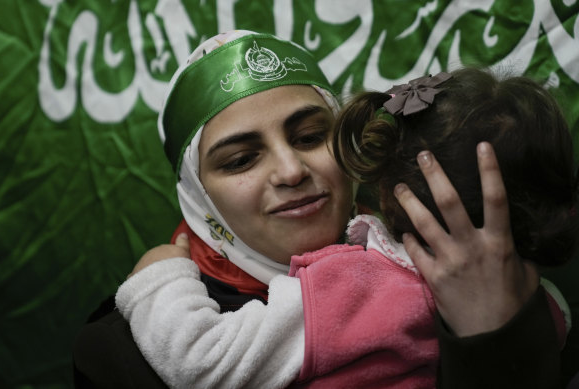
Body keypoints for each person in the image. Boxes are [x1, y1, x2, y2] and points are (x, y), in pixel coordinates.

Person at [72, 31, 567, 388]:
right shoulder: (124, 354)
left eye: (311, 137)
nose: (290, 170)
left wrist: (497, 334)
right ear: (199, 196)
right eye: (242, 159)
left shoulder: (497, 283)